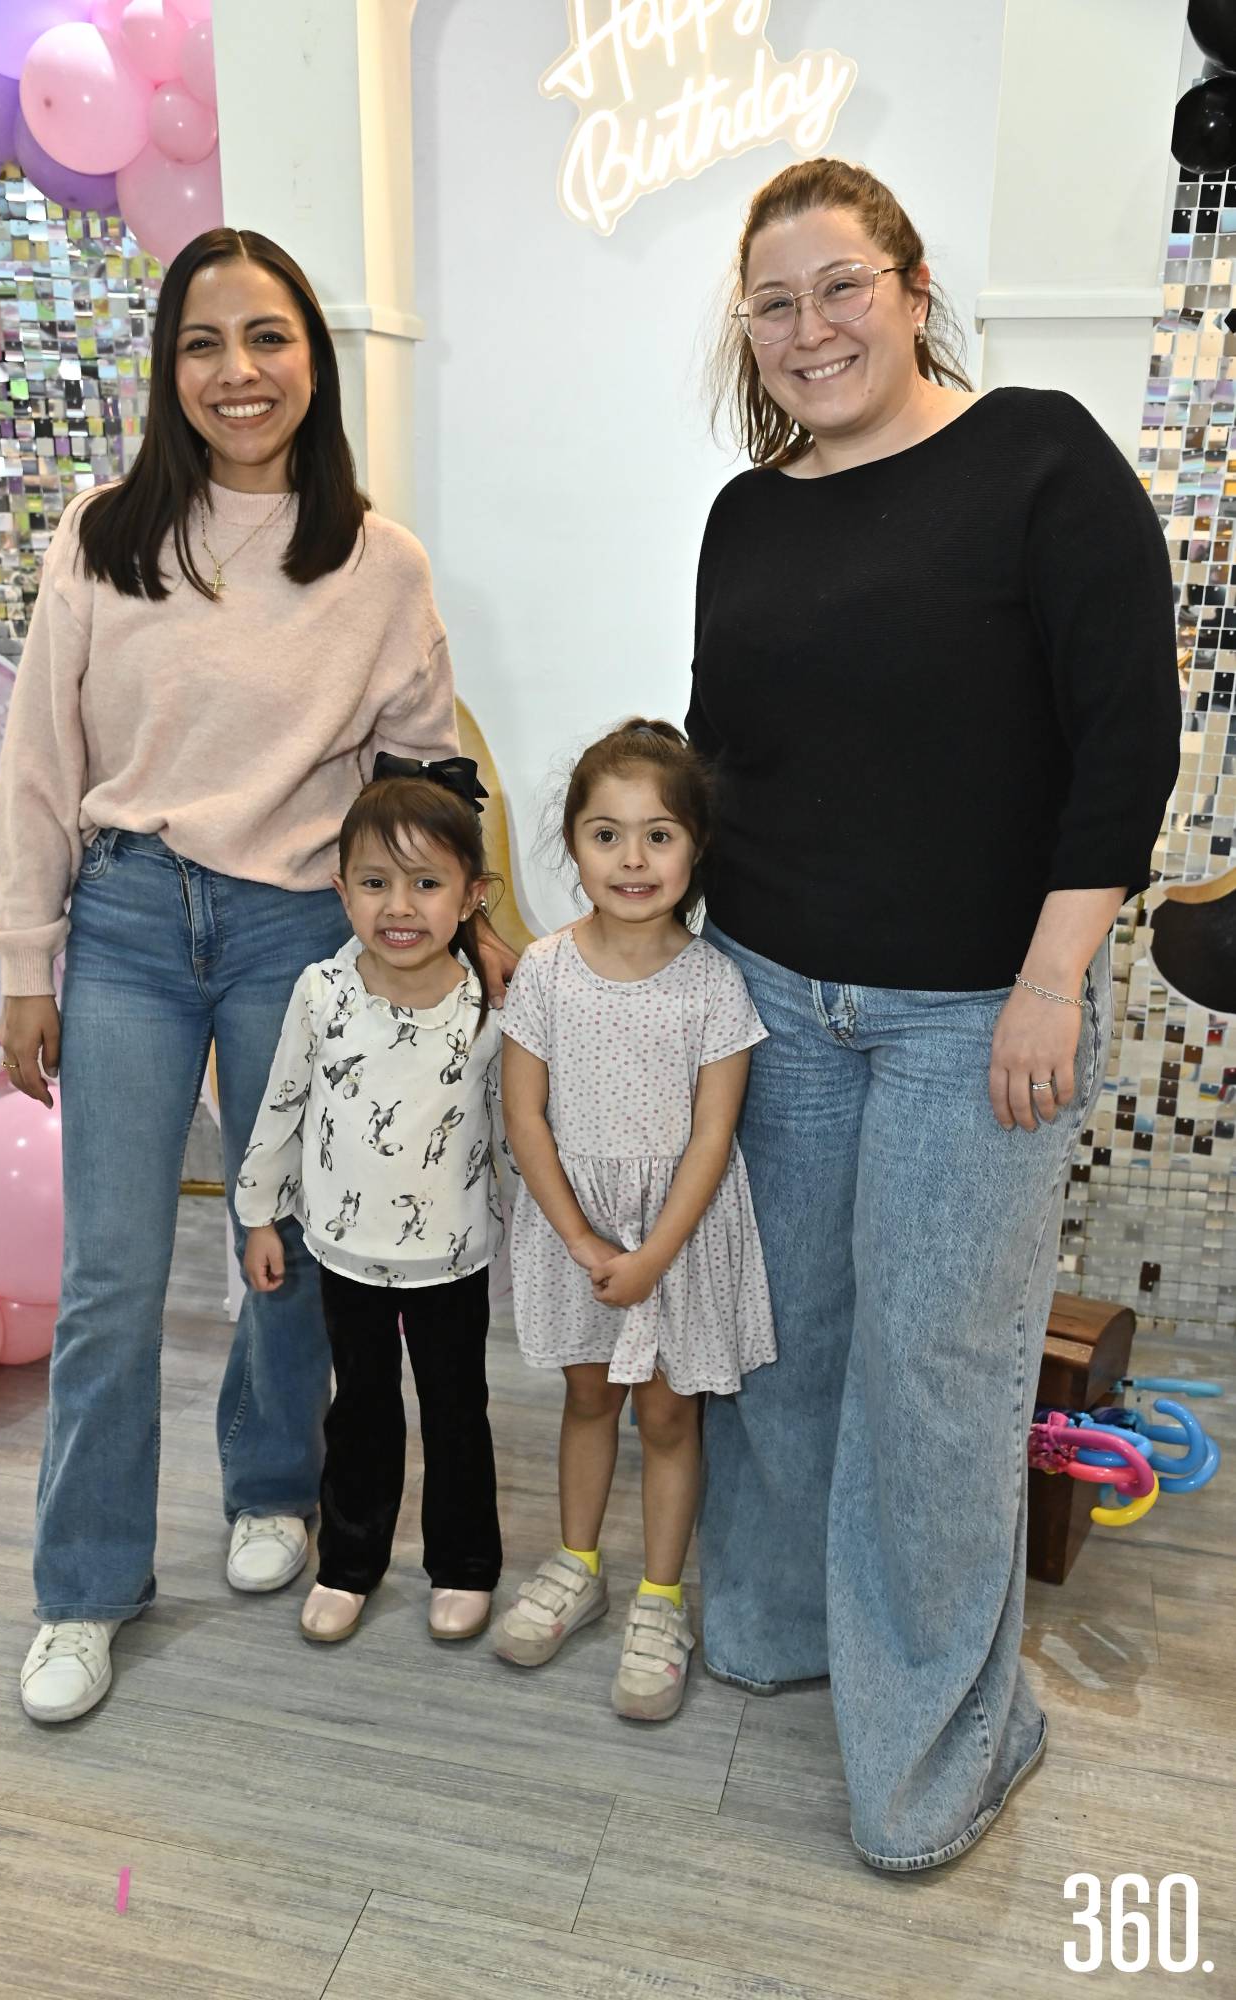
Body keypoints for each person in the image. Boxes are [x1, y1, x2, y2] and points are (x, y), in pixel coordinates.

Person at [689, 160, 1181, 1867]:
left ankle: (943, 1746)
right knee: (792, 1344)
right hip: (770, 987)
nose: (809, 328)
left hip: (977, 1012)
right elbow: (724, 761)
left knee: (935, 1379)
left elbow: (1126, 740)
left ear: (908, 286)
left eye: (839, 287)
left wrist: (1053, 980)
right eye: (774, 301)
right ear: (745, 331)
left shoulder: (1039, 457)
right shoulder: (748, 512)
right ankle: (795, 1625)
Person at [0, 226, 513, 1725]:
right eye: (205, 343)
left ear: (312, 359)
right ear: (169, 368)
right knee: (110, 1279)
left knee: (293, 1240)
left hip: (299, 930)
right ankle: (82, 1588)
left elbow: (424, 764)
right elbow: (38, 765)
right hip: (133, 929)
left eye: (267, 338)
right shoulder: (100, 536)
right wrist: (30, 960)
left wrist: (471, 925)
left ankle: (271, 1487)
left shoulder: (371, 557)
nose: (237, 372)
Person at [493, 720, 775, 1722]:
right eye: (605, 834)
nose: (631, 857)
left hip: (676, 1236)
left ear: (694, 847)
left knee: (664, 1411)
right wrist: (580, 1239)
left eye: (657, 834)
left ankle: (660, 1599)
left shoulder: (713, 983)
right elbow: (522, 1113)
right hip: (577, 1225)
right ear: (571, 844)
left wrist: (654, 1251)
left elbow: (712, 1133)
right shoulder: (546, 971)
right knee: (583, 1398)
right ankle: (576, 1564)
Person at [238, 762, 509, 1645]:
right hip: (343, 1251)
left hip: (451, 1254)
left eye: (427, 884)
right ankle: (350, 1562)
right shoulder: (322, 991)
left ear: (472, 895)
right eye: (375, 882)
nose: (401, 905)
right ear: (339, 889)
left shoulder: (489, 1002)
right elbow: (281, 1103)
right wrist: (257, 1214)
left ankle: (464, 1563)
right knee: (360, 1406)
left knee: (456, 1408)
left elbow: (517, 1126)